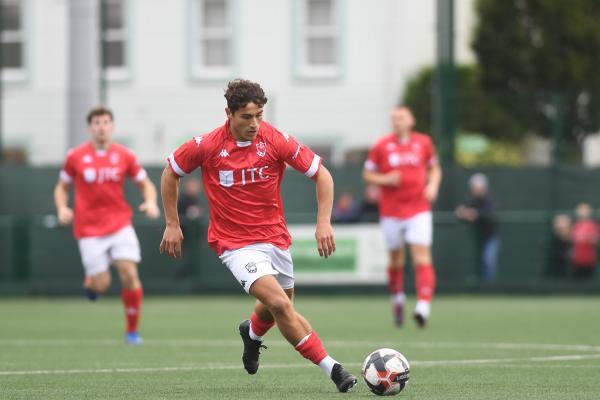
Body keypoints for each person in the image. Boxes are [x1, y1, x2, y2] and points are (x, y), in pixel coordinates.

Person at [159, 79, 357, 392]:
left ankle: (251, 334)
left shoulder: (274, 139)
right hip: (234, 244)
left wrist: (324, 222)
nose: (254, 124)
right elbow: (171, 172)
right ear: (229, 113)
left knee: (278, 305)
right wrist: (172, 223)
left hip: (275, 239)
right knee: (280, 304)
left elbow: (322, 174)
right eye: (246, 117)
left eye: (259, 116)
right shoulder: (208, 145)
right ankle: (333, 368)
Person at [54, 107, 160, 345]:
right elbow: (61, 187)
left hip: (119, 223)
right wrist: (62, 208)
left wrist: (151, 202)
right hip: (89, 229)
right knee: (102, 285)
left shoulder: (125, 155)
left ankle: (132, 332)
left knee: (129, 274)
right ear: (90, 127)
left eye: (105, 122)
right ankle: (91, 284)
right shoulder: (76, 156)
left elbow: (146, 184)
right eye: (97, 123)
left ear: (112, 126)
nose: (101, 127)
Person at [363, 106, 441, 328]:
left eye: (401, 117)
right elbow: (367, 174)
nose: (397, 121)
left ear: (411, 120)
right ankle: (397, 298)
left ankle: (423, 306)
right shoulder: (381, 145)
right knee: (396, 259)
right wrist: (386, 180)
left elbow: (435, 168)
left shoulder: (423, 142)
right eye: (394, 118)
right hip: (391, 212)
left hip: (418, 209)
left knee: (421, 256)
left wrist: (433, 185)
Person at [455, 173, 500, 282]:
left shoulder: (490, 200)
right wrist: (464, 212)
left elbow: (489, 212)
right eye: (475, 188)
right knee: (479, 262)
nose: (478, 190)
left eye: (480, 188)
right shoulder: (470, 200)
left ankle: (489, 288)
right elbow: (460, 211)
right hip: (476, 238)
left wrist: (475, 214)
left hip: (490, 237)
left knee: (488, 260)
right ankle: (480, 286)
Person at [176, 177, 205, 277]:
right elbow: (177, 215)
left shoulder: (196, 199)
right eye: (192, 187)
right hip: (180, 235)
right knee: (183, 258)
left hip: (192, 237)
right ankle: (179, 278)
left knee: (192, 258)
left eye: (195, 187)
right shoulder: (182, 199)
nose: (194, 189)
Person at [570, 203, 599, 278]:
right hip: (576, 259)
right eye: (581, 210)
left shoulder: (593, 225)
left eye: (585, 210)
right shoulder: (575, 225)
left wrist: (585, 237)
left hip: (589, 260)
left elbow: (595, 240)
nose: (583, 212)